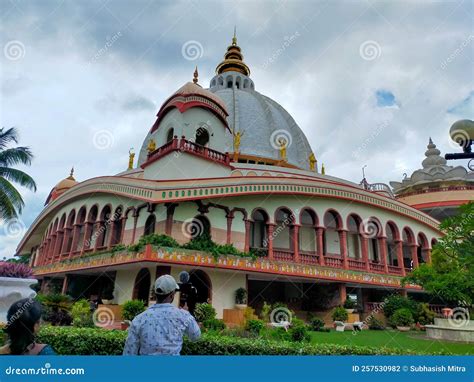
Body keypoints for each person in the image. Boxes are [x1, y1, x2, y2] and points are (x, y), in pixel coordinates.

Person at [123, 274, 201, 355]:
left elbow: (129, 352)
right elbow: (196, 337)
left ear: (155, 294)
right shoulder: (184, 316)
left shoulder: (139, 319)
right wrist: (188, 314)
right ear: (172, 295)